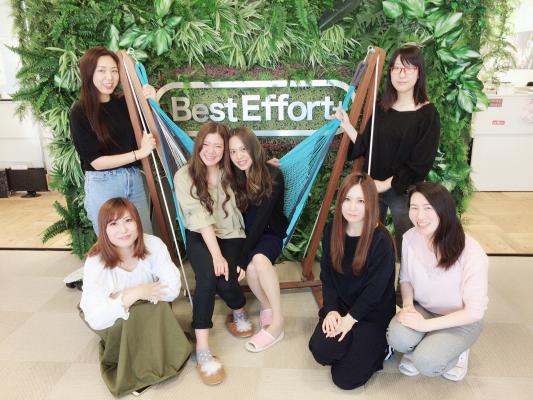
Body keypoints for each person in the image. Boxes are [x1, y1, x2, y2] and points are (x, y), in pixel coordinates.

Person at [79, 198, 191, 397]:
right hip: (114, 317)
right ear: (104, 229)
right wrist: (135, 293)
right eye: (113, 224)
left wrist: (123, 296)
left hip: (150, 306)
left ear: (138, 222)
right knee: (135, 313)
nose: (123, 230)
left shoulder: (153, 244)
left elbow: (173, 288)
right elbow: (95, 317)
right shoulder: (96, 260)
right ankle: (137, 367)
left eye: (128, 220)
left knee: (152, 309)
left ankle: (152, 357)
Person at [336, 45, 440, 254]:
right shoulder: (381, 108)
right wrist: (347, 125)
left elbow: (420, 162)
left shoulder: (428, 114)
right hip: (373, 186)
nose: (401, 74)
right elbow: (367, 145)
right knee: (369, 241)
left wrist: (384, 184)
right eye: (396, 68)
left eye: (408, 68)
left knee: (408, 242)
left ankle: (407, 274)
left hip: (404, 189)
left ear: (419, 73)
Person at [173, 121, 253, 385]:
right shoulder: (184, 176)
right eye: (206, 144)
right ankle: (203, 348)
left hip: (231, 232)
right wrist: (216, 256)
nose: (211, 151)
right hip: (200, 233)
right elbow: (201, 219)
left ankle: (237, 309)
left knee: (227, 281)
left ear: (225, 149)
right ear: (198, 146)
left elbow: (254, 169)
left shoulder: (232, 172)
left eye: (218, 146)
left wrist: (270, 165)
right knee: (207, 279)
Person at [386, 182, 488, 381]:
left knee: (427, 363)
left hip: (461, 319)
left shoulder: (472, 252)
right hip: (425, 309)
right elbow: (405, 279)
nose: (420, 216)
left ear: (444, 209)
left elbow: (474, 312)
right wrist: (408, 306)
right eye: (414, 208)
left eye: (428, 208)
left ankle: (458, 351)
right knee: (397, 338)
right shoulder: (410, 237)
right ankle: (426, 342)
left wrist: (424, 326)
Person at [308, 172, 396, 390]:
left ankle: (384, 347)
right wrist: (331, 310)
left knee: (345, 379)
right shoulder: (332, 229)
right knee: (321, 351)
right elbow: (327, 275)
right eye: (347, 199)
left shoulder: (381, 240)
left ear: (371, 203)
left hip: (371, 314)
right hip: (342, 307)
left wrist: (350, 320)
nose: (352, 207)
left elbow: (375, 291)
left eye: (360, 201)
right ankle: (354, 345)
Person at [70, 46, 156, 234]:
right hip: (103, 183)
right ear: (89, 73)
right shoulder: (80, 112)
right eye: (101, 71)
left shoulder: (126, 103)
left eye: (114, 71)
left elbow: (151, 129)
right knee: (112, 242)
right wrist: (139, 153)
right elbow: (96, 162)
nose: (109, 77)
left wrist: (152, 100)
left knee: (144, 237)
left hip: (133, 178)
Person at [228, 127, 288, 352]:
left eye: (243, 149)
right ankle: (266, 306)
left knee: (259, 261)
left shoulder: (273, 176)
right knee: (252, 270)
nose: (239, 156)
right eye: (233, 152)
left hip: (270, 233)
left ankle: (278, 322)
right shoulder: (234, 178)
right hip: (246, 236)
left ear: (253, 148)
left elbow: (261, 221)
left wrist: (242, 260)